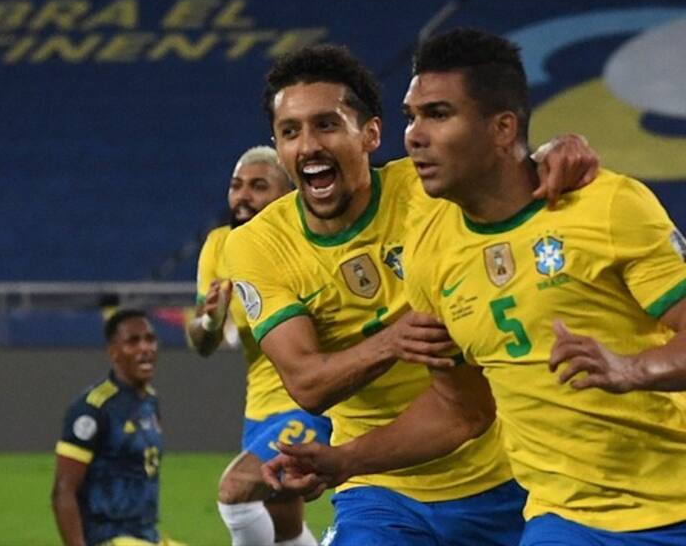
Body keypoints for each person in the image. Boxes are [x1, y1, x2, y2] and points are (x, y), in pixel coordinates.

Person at [267, 29, 686, 546]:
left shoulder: (607, 207)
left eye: (438, 115)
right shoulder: (430, 252)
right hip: (565, 522)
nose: (414, 136)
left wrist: (632, 369)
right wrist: (345, 458)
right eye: (411, 117)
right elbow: (459, 409)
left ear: (502, 127)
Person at [225, 43, 598, 545]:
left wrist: (552, 152)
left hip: (504, 474)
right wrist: (390, 342)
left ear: (371, 134)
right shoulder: (258, 245)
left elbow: (508, 171)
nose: (308, 145)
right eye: (290, 132)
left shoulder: (431, 193)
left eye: (327, 124)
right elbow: (309, 385)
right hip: (380, 489)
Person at [187, 145, 332, 546]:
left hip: (312, 401)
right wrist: (210, 320)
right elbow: (201, 343)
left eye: (258, 186)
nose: (242, 196)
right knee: (283, 522)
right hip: (261, 409)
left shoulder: (312, 241)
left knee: (235, 493)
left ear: (288, 194)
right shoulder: (220, 245)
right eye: (236, 186)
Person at [52, 309, 164, 546]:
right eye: (133, 341)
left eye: (150, 339)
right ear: (113, 352)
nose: (145, 348)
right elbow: (63, 491)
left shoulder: (150, 402)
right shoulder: (93, 409)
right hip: (107, 537)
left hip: (145, 536)